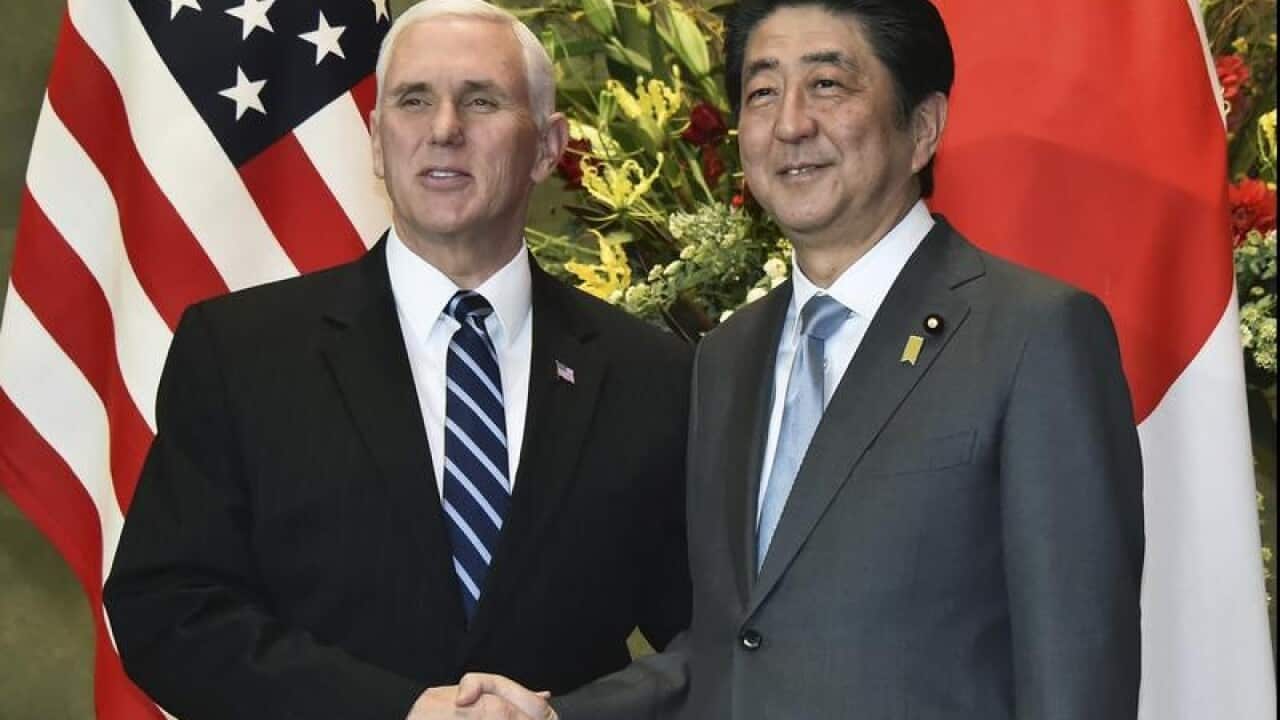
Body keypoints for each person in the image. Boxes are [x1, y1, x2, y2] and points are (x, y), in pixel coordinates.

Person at [462, 0, 1144, 718]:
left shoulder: (1032, 334)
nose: (790, 123)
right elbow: (737, 645)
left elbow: (1076, 666)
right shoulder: (727, 356)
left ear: (922, 127)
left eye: (827, 85)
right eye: (762, 92)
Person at [103, 1, 690, 718]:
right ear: (378, 144)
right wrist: (398, 711)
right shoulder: (239, 353)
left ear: (546, 146)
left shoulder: (654, 373)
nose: (444, 129)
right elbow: (168, 608)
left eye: (481, 100)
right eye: (415, 101)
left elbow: (711, 634)